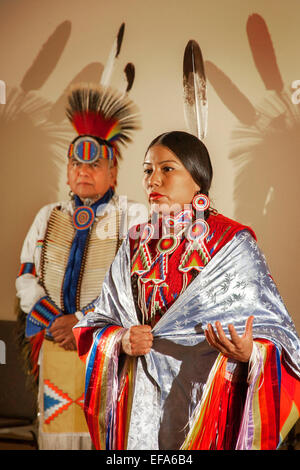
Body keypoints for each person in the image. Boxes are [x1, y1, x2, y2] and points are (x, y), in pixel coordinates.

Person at [73, 131, 300, 450]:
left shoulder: (232, 243)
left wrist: (251, 353)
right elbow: (98, 322)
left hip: (205, 402)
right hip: (141, 404)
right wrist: (121, 339)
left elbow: (281, 338)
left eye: (167, 169)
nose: (153, 180)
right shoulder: (135, 243)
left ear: (198, 178)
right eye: (147, 169)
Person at [15, 83, 144, 450]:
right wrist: (59, 323)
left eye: (94, 163)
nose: (83, 171)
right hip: (54, 341)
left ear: (113, 171)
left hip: (105, 347)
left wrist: (83, 323)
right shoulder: (48, 216)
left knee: (104, 434)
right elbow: (26, 278)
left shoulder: (132, 216)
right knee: (56, 433)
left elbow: (135, 286)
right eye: (76, 163)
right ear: (68, 170)